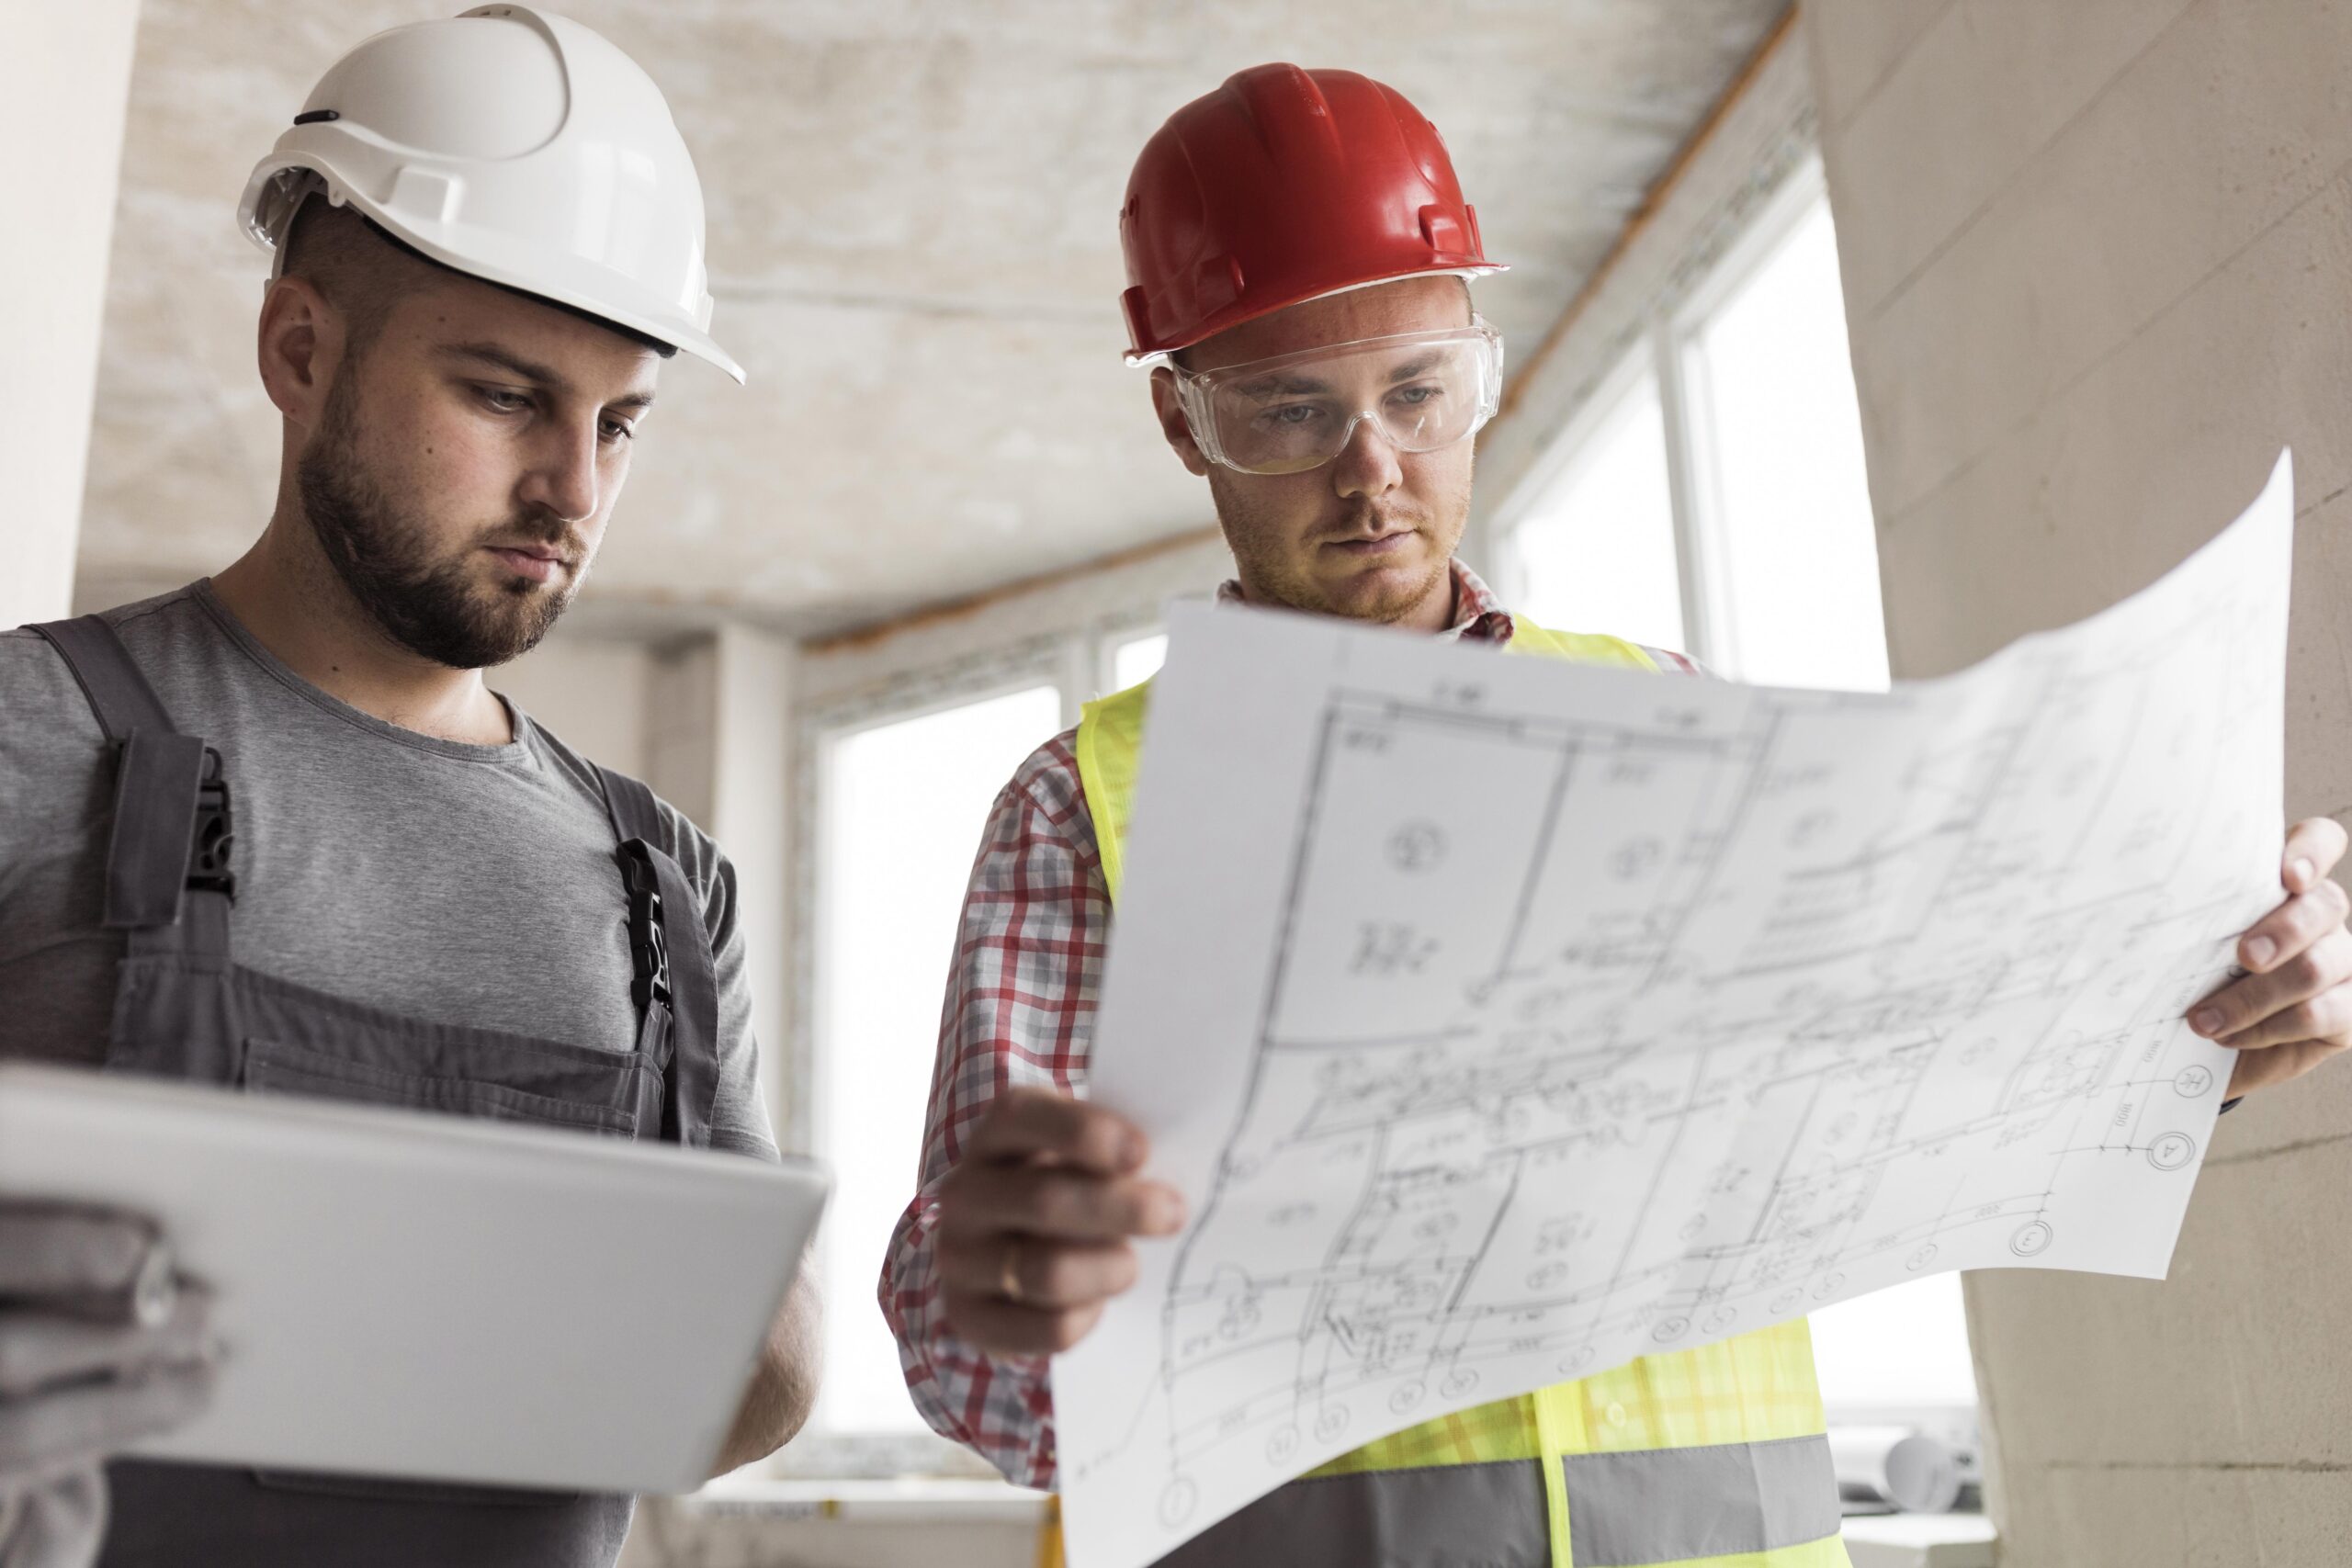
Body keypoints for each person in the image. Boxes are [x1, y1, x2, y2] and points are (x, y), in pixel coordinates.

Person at [878, 63, 2352, 1567]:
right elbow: (967, 1348)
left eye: (1418, 394)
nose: (1372, 468)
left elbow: (1890, 1101)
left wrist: (2198, 1035)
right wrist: (1015, 1301)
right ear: (1183, 427)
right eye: (1286, 411)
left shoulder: (1670, 713)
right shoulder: (1087, 809)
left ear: (1478, 372)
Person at [0, 10, 816, 1567]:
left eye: (619, 421)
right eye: (507, 395)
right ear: (300, 350)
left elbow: (753, 1384)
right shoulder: (33, 734)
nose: (574, 490)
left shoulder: (664, 882)